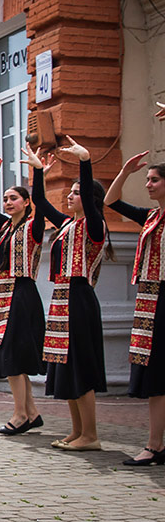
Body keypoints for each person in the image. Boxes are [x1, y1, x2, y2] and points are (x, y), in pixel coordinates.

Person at [31, 137, 110, 452]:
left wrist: (85, 161)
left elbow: (89, 201)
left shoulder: (94, 224)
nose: (70, 195)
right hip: (61, 298)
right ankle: (77, 432)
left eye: (76, 192)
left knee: (81, 366)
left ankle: (91, 435)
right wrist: (38, 171)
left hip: (79, 297)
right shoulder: (66, 224)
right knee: (65, 365)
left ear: (89, 198)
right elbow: (40, 200)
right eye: (71, 191)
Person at [0, 155, 48, 435]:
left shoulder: (34, 226)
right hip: (3, 294)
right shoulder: (5, 226)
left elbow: (41, 201)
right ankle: (31, 412)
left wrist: (38, 171)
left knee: (14, 357)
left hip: (22, 292)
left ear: (26, 203)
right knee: (10, 355)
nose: (8, 203)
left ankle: (20, 415)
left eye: (14, 198)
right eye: (6, 199)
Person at [104, 150, 165, 465]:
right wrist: (125, 171)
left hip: (161, 298)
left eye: (154, 180)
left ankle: (155, 446)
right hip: (151, 299)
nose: (148, 184)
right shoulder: (151, 216)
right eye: (147, 179)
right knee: (155, 375)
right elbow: (111, 201)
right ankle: (155, 445)